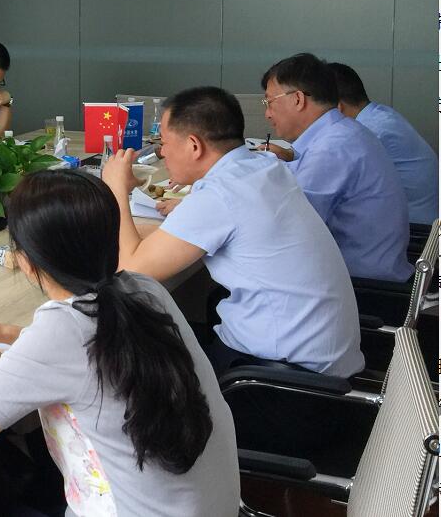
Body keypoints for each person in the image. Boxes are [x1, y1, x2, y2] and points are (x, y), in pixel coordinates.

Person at [0, 169, 240, 516]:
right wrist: (3, 333)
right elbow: (92, 348)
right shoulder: (144, 288)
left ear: (26, 262)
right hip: (211, 507)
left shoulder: (62, 330)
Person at [101, 86, 364, 378]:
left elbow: (132, 270)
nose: (161, 152)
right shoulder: (263, 167)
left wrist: (115, 189)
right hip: (321, 354)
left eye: (163, 142)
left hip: (279, 376)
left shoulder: (220, 195)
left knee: (139, 354)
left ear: (194, 145)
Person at [261, 53, 411, 282]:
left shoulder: (333, 147)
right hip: (369, 269)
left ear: (298, 99)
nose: (267, 114)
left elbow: (288, 227)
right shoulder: (343, 132)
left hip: (362, 283)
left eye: (269, 102)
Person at [328, 62, 438, 226]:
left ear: (338, 107)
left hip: (417, 230)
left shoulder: (369, 131)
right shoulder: (380, 115)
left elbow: (329, 181)